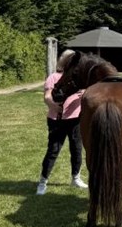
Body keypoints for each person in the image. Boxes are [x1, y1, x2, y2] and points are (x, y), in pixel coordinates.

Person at [36, 50, 88, 196]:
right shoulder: (54, 77)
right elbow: (47, 97)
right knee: (53, 150)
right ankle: (43, 181)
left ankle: (75, 178)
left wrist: (84, 93)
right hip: (56, 120)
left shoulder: (80, 79)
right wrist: (55, 107)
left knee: (76, 150)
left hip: (76, 120)